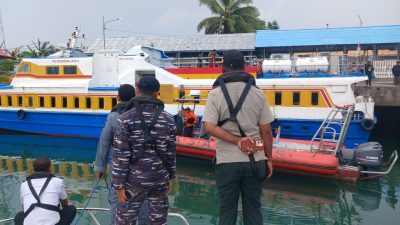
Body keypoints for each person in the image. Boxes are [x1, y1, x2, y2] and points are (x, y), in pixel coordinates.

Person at [202, 50, 274, 225]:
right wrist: (269, 159)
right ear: (244, 67)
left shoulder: (215, 94)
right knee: (253, 208)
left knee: (227, 211)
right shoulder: (258, 93)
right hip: (255, 160)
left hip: (227, 162)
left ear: (222, 68)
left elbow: (209, 127)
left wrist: (236, 141)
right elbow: (266, 131)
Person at [112, 76, 177, 225]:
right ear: (157, 93)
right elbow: (170, 154)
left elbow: (120, 156)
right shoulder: (168, 119)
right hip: (160, 179)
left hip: (133, 181)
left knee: (124, 220)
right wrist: (170, 177)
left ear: (137, 90)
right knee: (158, 220)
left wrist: (118, 185)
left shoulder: (125, 118)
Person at [94, 84, 149, 225]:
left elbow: (104, 142)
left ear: (118, 97)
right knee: (143, 200)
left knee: (117, 200)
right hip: (141, 167)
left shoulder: (114, 115)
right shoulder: (142, 113)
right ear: (135, 96)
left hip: (118, 167)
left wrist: (100, 168)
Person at [15, 157, 76, 225]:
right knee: (71, 208)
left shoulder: (24, 185)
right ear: (50, 168)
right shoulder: (57, 181)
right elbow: (64, 204)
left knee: (19, 215)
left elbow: (24, 209)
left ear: (33, 169)